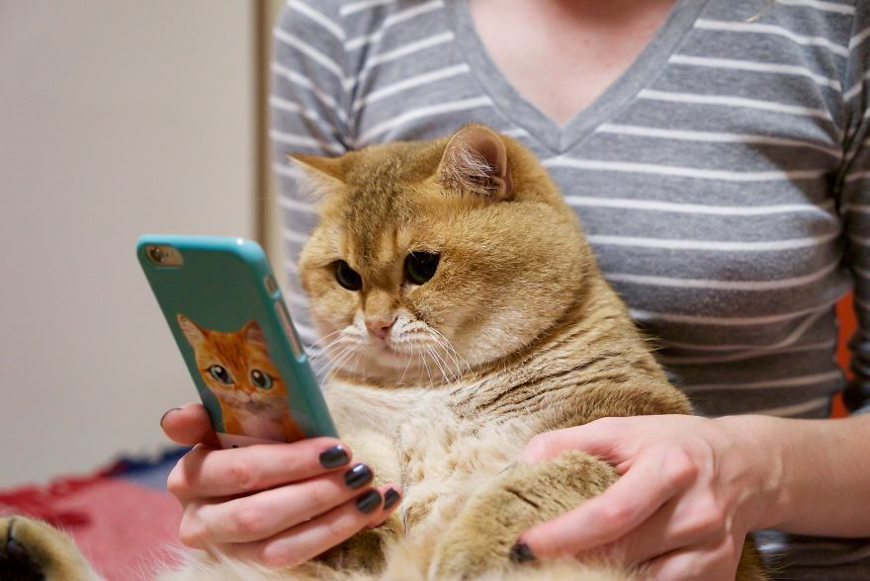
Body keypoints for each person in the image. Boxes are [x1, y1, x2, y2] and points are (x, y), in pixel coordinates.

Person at [160, 0, 870, 578]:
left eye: (419, 266)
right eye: (351, 278)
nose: (376, 316)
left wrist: (753, 469)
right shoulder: (339, 23)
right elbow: (329, 348)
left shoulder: (836, 27)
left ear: (494, 182)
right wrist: (264, 484)